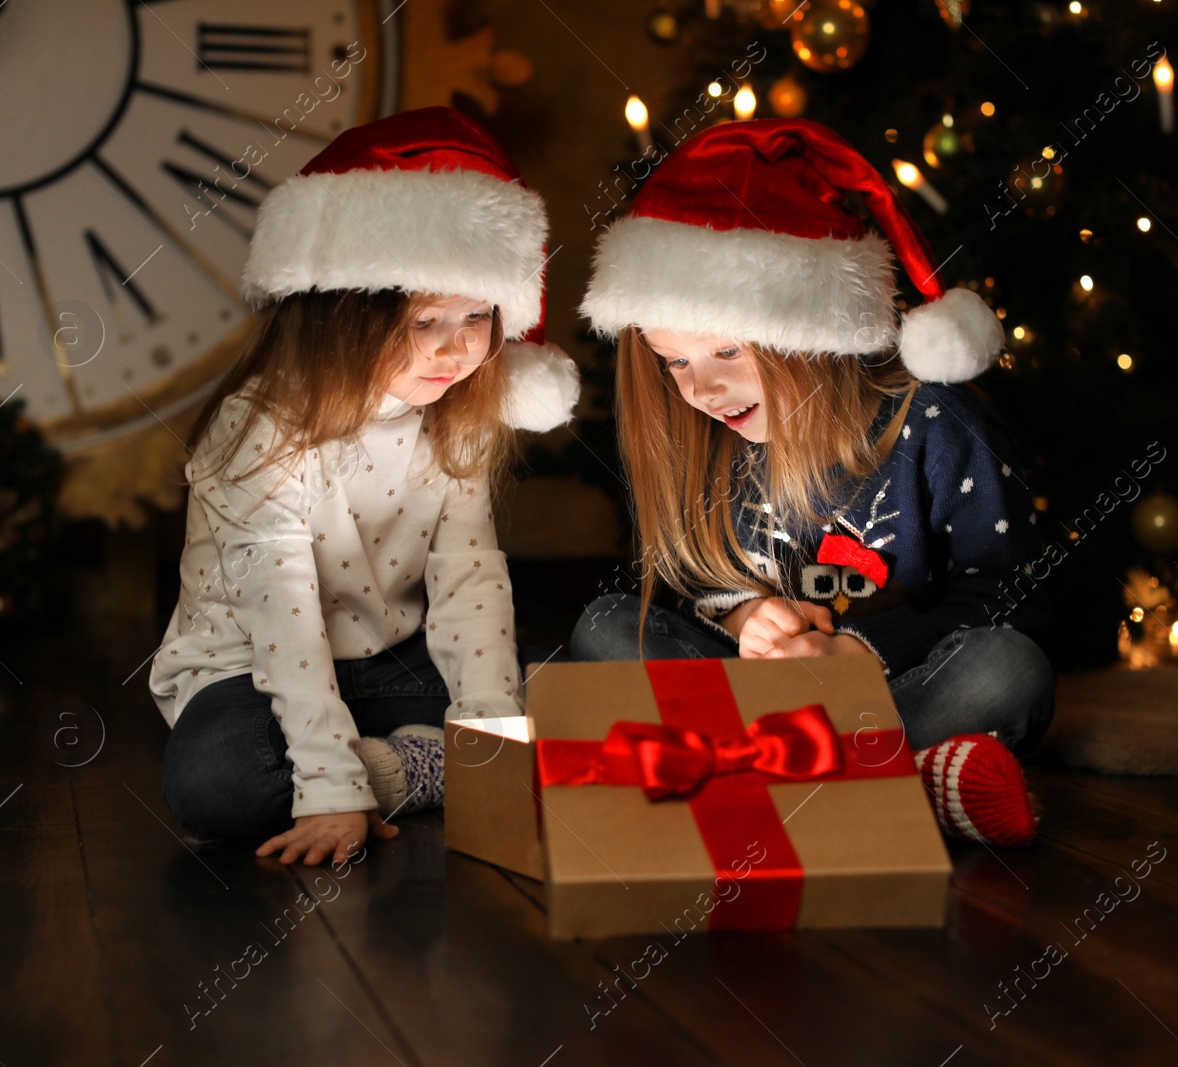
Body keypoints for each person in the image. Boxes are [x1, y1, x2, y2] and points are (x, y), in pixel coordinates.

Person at [572, 118, 1052, 847]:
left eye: (726, 349)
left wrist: (857, 654)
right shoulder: (713, 440)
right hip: (763, 703)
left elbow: (1009, 595)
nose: (701, 387)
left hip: (897, 693)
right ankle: (887, 781)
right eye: (674, 362)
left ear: (808, 328)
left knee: (1008, 671)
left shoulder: (935, 420)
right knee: (604, 627)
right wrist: (741, 617)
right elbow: (690, 586)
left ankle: (760, 775)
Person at [150, 107, 578, 866]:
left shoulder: (457, 414)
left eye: (478, 315)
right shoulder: (261, 426)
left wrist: (491, 741)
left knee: (586, 693)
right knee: (218, 780)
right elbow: (283, 614)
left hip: (390, 663)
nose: (456, 347)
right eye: (423, 320)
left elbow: (469, 579)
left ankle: (414, 763)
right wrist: (327, 785)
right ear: (344, 312)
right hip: (249, 671)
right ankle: (395, 764)